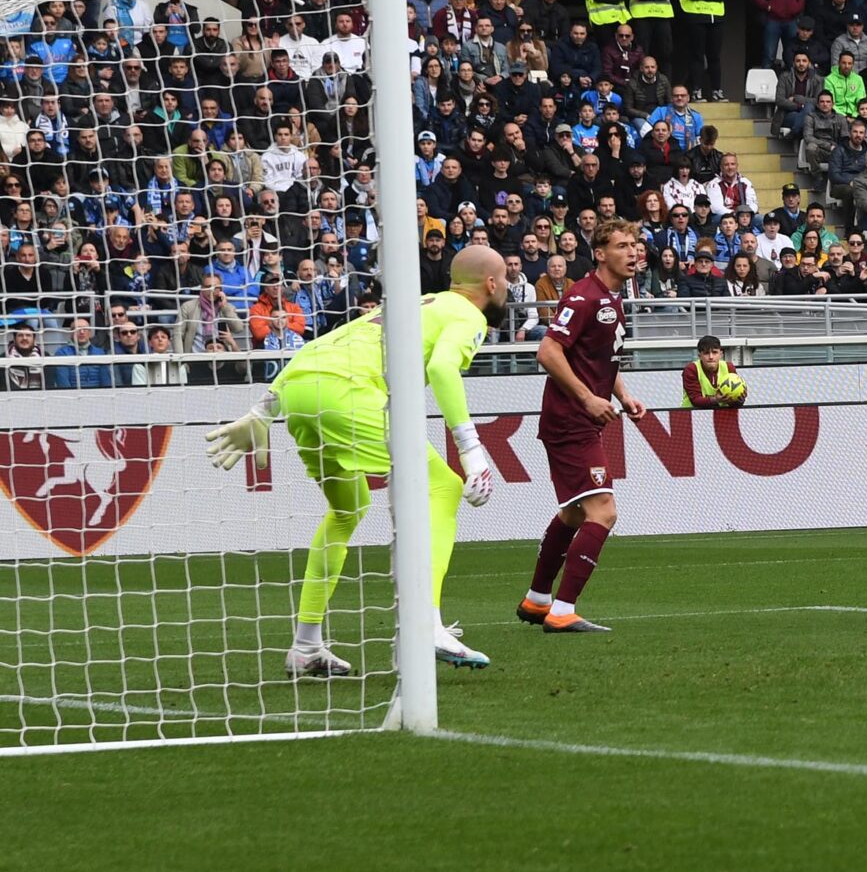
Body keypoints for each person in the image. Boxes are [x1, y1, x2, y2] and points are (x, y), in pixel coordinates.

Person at [205, 244, 510, 676]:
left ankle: (306, 645)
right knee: (444, 487)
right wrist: (471, 451)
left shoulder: (407, 306)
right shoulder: (468, 315)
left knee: (348, 509)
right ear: (491, 283)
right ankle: (425, 623)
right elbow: (443, 369)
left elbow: (321, 346)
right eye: (507, 282)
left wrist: (262, 410)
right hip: (348, 394)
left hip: (298, 391)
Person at [516, 219, 648, 633]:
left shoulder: (612, 296)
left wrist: (621, 393)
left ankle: (538, 600)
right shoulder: (584, 295)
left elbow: (600, 356)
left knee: (575, 514)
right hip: (570, 419)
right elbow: (548, 351)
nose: (633, 252)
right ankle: (562, 611)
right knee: (604, 511)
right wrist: (589, 398)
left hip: (579, 419)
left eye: (635, 245)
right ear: (600, 252)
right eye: (623, 245)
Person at [681, 334, 747, 406]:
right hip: (692, 416)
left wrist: (739, 400)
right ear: (700, 356)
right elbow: (695, 400)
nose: (711, 357)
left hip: (722, 416)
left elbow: (733, 404)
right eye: (706, 353)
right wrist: (716, 400)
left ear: (721, 354)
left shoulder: (729, 367)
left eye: (714, 352)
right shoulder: (691, 369)